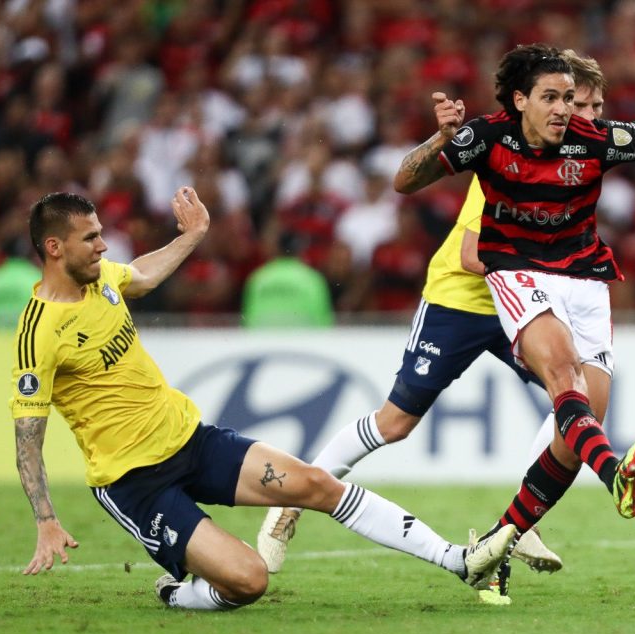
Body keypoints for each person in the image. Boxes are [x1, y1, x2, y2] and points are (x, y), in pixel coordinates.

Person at [10, 189, 516, 611]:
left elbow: (139, 274)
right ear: (54, 247)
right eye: (91, 238)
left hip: (192, 441)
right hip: (135, 481)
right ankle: (177, 594)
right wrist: (46, 519)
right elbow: (27, 439)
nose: (103, 245)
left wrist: (191, 236)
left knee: (317, 484)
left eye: (101, 232)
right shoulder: (39, 332)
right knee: (249, 581)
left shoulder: (104, 282)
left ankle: (458, 561)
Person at [256, 51, 611, 601]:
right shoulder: (508, 155)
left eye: (589, 106)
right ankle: (291, 499)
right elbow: (473, 254)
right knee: (395, 423)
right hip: (463, 300)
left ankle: (520, 522)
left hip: (520, 299)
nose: (583, 117)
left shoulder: (572, 159)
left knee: (576, 398)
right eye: (574, 103)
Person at [393, 43, 635, 598]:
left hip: (586, 280)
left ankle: (494, 551)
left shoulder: (592, 139)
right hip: (516, 271)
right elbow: (405, 181)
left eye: (570, 99)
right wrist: (439, 139)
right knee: (564, 381)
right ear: (521, 100)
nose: (565, 110)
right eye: (552, 98)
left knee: (576, 432)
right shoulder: (486, 137)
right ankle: (616, 474)